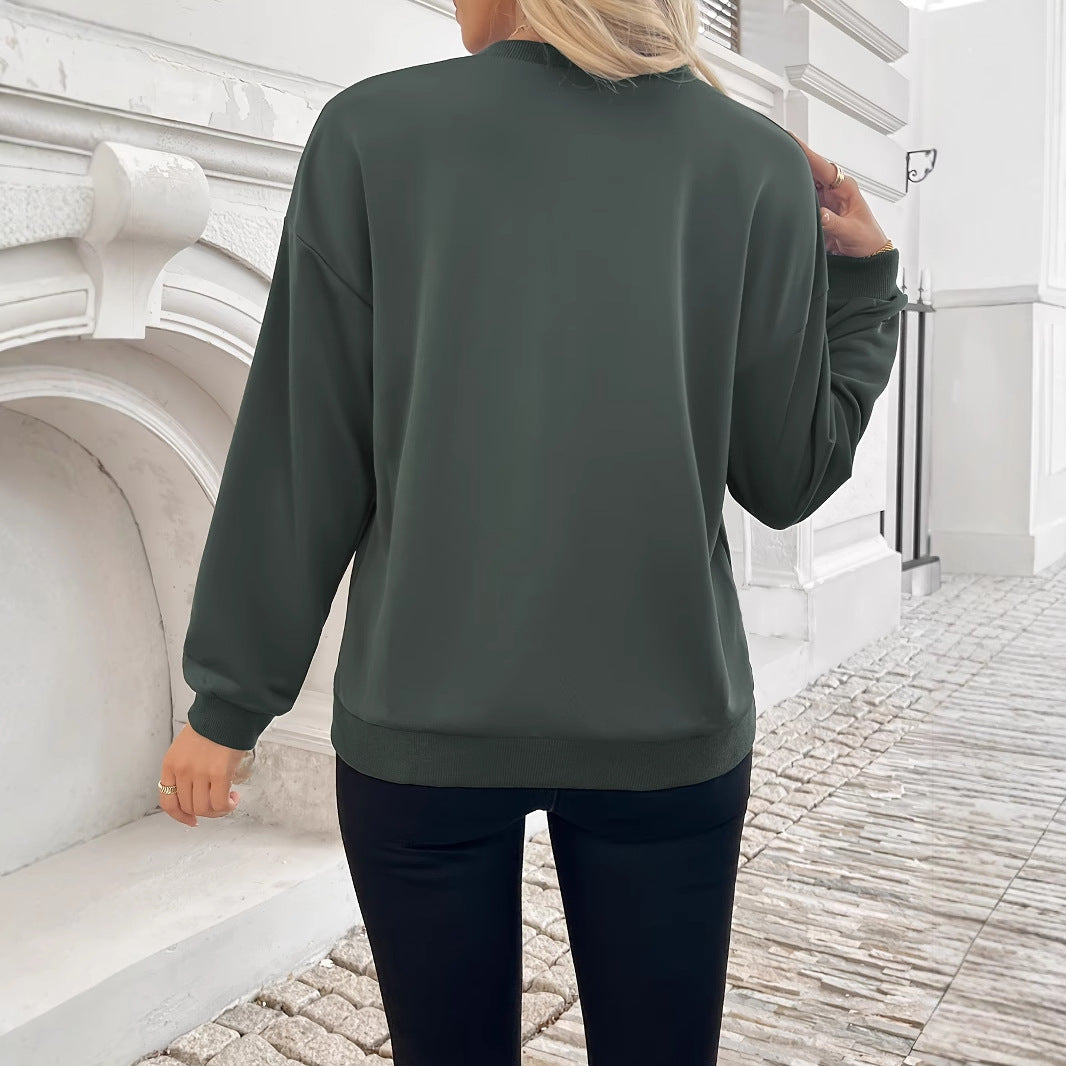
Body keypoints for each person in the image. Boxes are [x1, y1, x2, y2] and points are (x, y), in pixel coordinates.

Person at [156, 0, 907, 1062]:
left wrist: (230, 703)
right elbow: (787, 478)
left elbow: (302, 449)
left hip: (420, 726)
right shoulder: (751, 162)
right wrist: (863, 291)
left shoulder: (373, 132)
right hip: (668, 724)